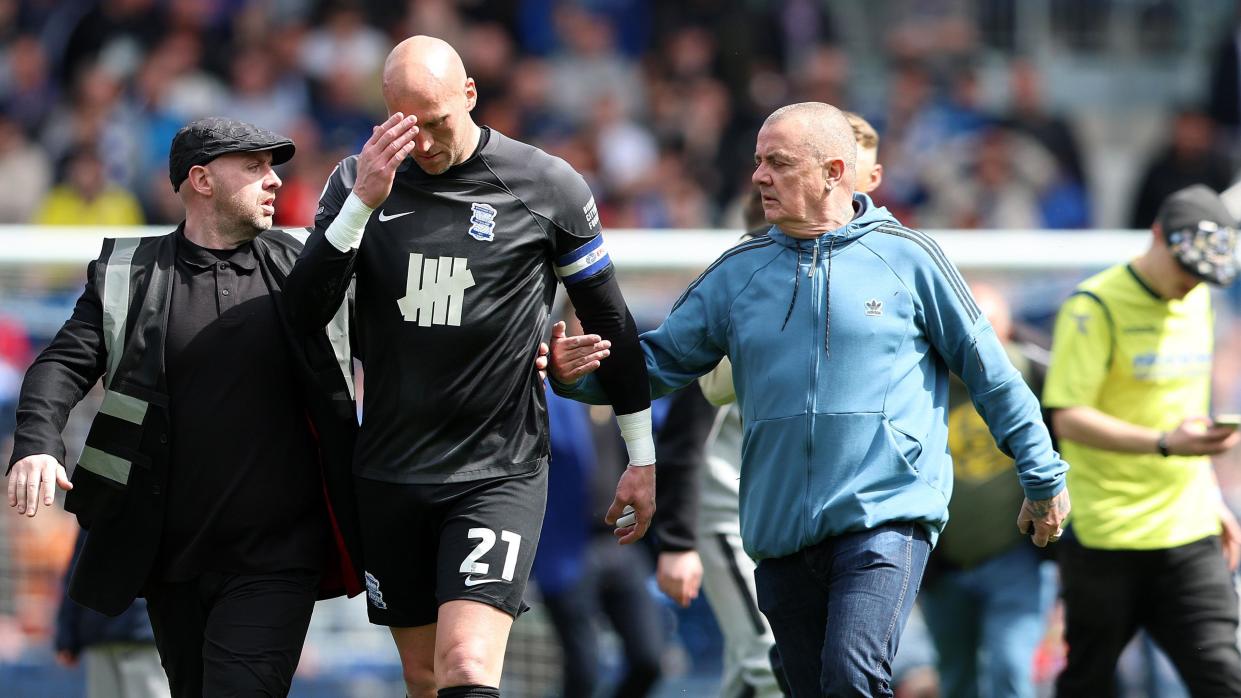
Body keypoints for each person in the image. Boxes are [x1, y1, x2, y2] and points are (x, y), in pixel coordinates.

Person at [550, 101, 1070, 697]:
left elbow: (993, 376)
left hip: (885, 517)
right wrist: (577, 378)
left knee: (851, 680)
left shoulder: (910, 259)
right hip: (779, 535)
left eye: (777, 163)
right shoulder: (737, 274)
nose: (758, 177)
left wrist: (1043, 474)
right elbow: (657, 362)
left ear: (834, 170)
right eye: (757, 162)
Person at [283, 35, 655, 698]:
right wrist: (362, 203)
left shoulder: (545, 185)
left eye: (435, 122)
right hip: (389, 471)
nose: (422, 142)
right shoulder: (357, 180)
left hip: (496, 470)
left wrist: (640, 454)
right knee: (423, 676)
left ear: (470, 96)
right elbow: (302, 312)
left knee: (465, 665)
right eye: (405, 125)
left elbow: (612, 323)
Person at [6, 116, 365, 698]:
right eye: (253, 167)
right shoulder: (129, 273)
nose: (273, 181)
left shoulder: (301, 266)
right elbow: (60, 364)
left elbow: (397, 338)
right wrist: (37, 447)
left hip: (276, 560)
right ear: (201, 180)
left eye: (272, 167)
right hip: (171, 563)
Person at [1044, 183, 1241, 697]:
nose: (1193, 285)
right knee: (1090, 682)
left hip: (1188, 528)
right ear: (1156, 235)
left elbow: (1184, 412)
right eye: (1186, 271)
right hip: (1108, 533)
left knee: (1224, 675)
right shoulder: (1094, 307)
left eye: (1204, 276)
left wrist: (1212, 497)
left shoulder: (1197, 302)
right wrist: (1163, 443)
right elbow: (1067, 417)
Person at [918, 283, 1057, 698]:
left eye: (988, 332)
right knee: (955, 678)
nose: (976, 349)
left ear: (1008, 331)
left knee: (1011, 670)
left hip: (1015, 556)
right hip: (942, 561)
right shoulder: (920, 380)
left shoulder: (1036, 374)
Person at [54, 528, 169, 698]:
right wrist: (67, 635)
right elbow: (77, 570)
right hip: (104, 633)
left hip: (143, 634)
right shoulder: (94, 506)